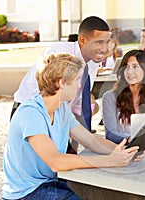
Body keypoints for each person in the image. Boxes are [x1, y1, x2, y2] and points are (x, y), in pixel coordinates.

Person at [2, 54, 145, 200]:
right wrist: (110, 160)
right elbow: (56, 162)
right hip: (25, 193)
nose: (79, 86)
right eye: (77, 80)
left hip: (50, 183)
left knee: (99, 193)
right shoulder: (30, 113)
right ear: (62, 82)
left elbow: (91, 140)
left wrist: (124, 153)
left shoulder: (61, 109)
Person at [11, 16, 110, 152]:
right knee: (47, 165)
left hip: (61, 115)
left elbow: (80, 100)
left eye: (107, 42)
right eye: (99, 42)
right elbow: (46, 92)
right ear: (82, 40)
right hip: (33, 113)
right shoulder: (59, 54)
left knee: (71, 159)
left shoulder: (92, 62)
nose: (104, 49)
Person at [102, 50, 145, 144]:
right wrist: (130, 140)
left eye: (135, 67)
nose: (129, 72)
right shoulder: (110, 97)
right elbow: (111, 135)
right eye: (126, 67)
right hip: (122, 150)